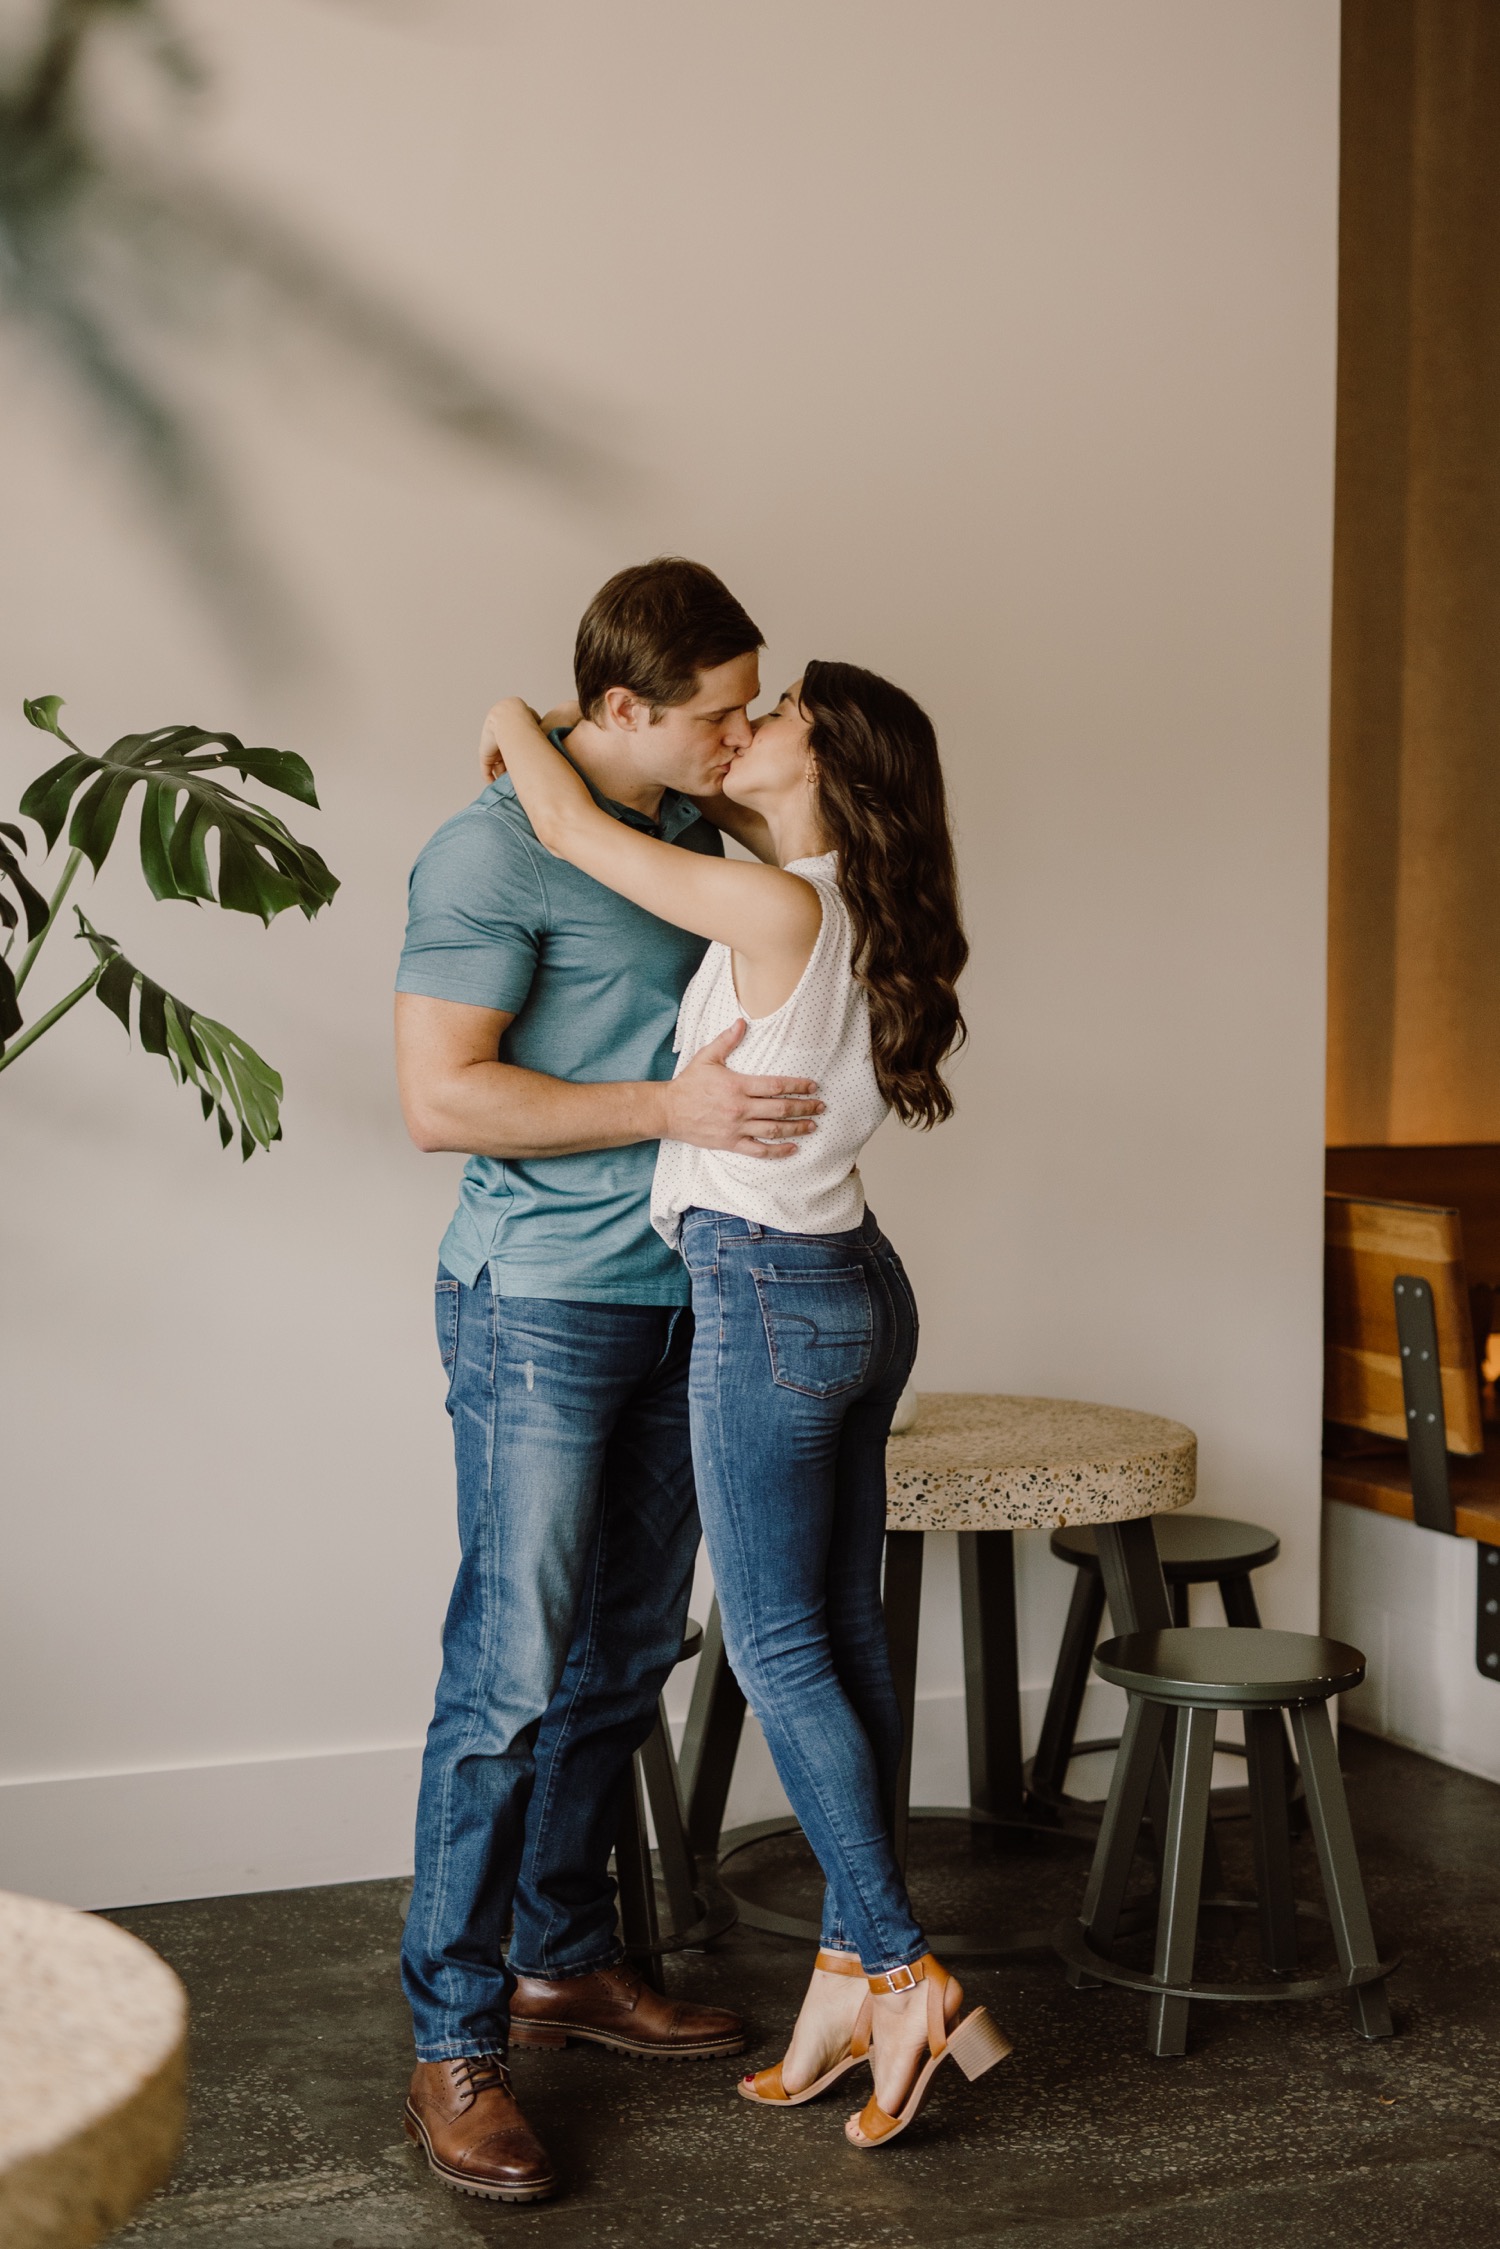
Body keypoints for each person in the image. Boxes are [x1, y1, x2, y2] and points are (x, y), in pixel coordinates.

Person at [482, 661, 1012, 2153]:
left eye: (769, 719)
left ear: (825, 765)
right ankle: (849, 1973)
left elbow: (582, 840)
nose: (741, 729)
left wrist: (514, 720)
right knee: (835, 1631)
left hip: (771, 1291)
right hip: (844, 1278)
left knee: (779, 1646)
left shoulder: (787, 906)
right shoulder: (803, 901)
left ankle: (904, 1969)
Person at [394, 559, 830, 2206]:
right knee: (507, 1670)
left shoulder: (694, 843)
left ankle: (561, 1955)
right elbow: (444, 1099)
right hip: (543, 1308)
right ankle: (454, 2035)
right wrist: (671, 1116)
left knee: (633, 1644)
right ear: (627, 708)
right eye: (720, 711)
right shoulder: (488, 847)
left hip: (691, 1295)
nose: (744, 732)